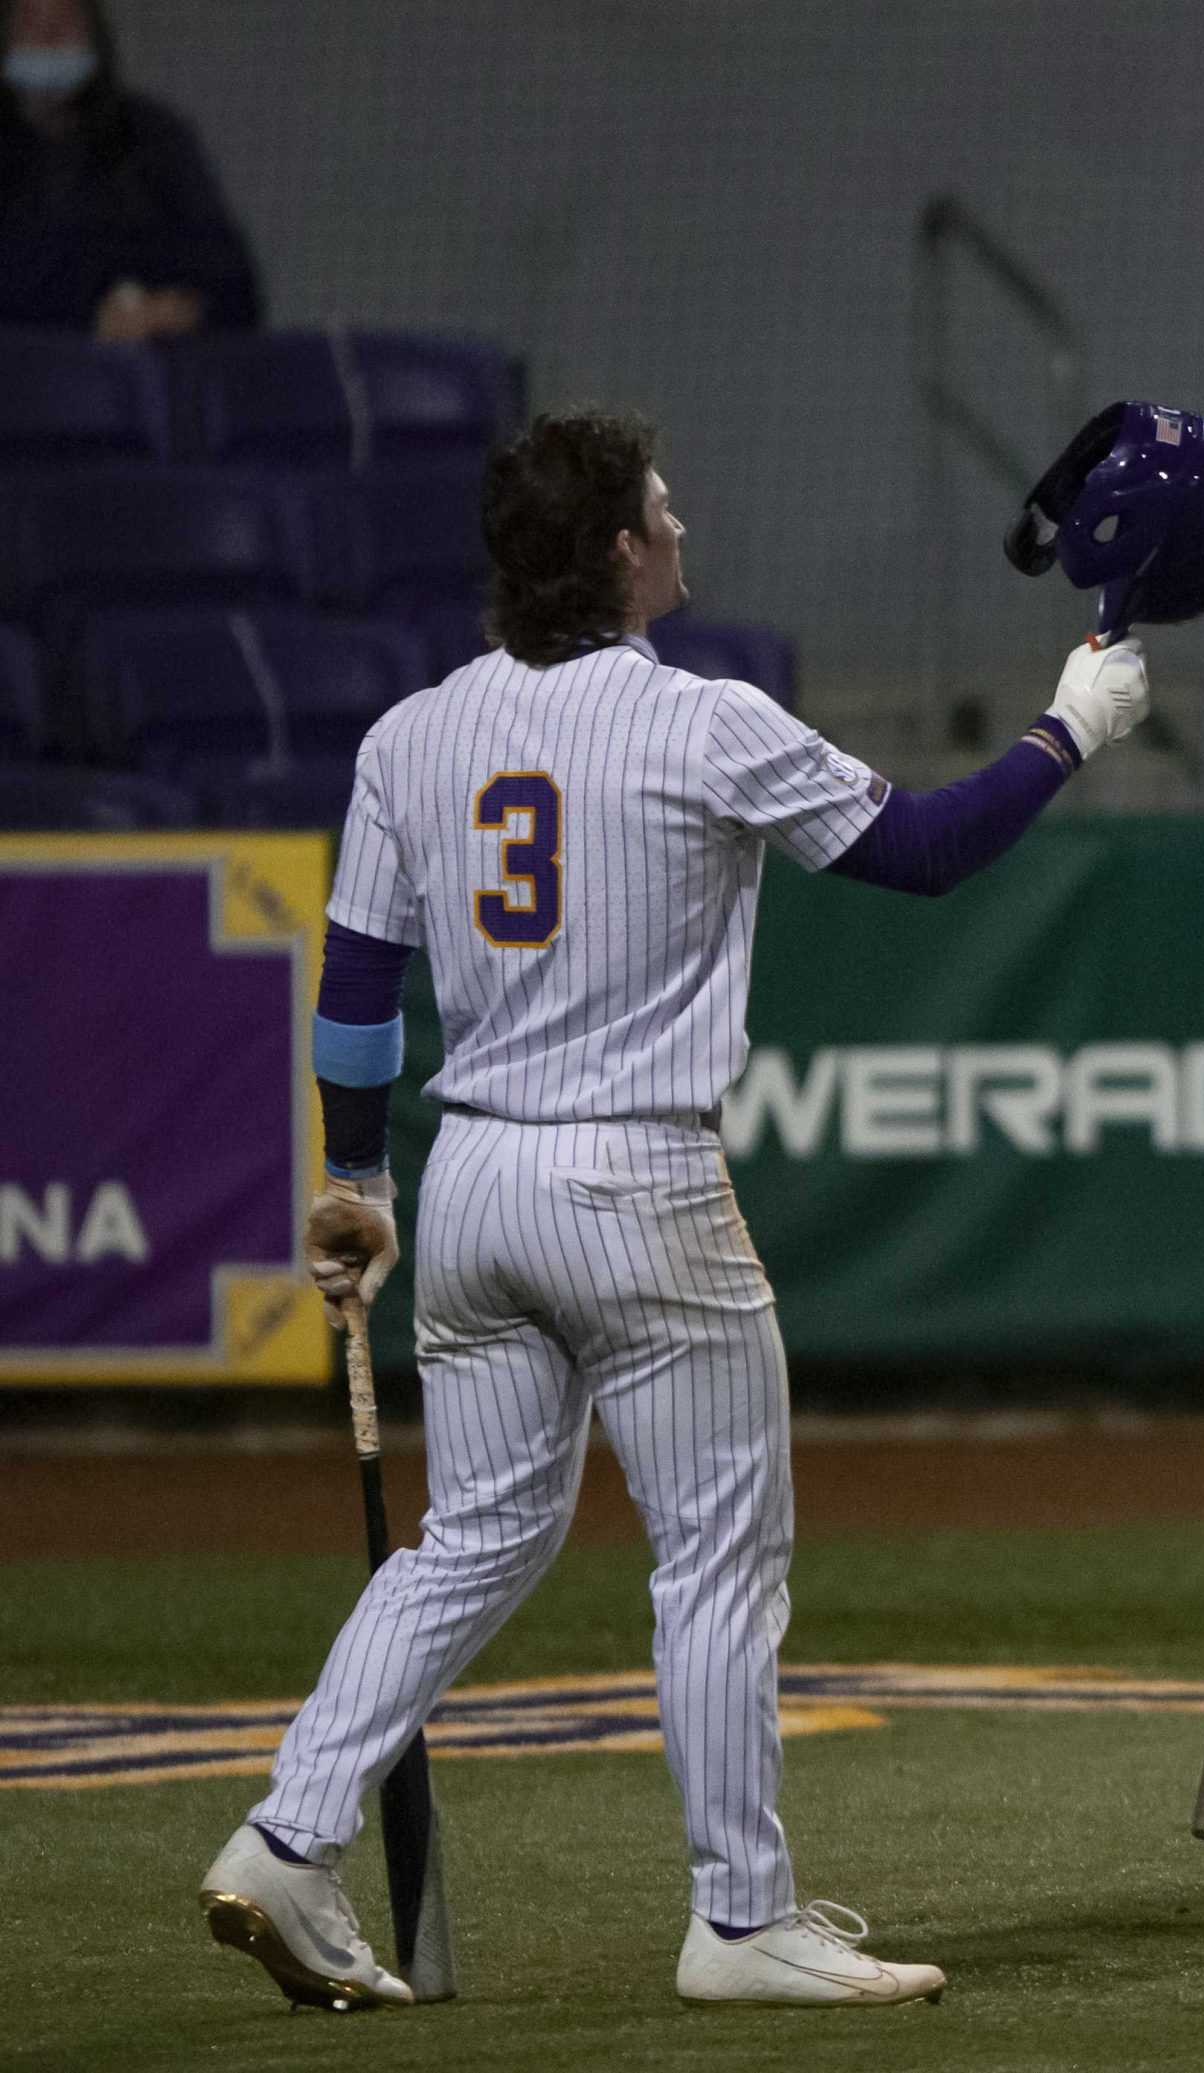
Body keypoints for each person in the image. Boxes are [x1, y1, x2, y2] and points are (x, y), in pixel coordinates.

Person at [195, 409, 1151, 2013]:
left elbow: (356, 987)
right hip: (636, 1177)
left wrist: (354, 1177)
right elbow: (920, 852)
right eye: (660, 504)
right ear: (622, 551)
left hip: (477, 1172)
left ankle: (286, 1838)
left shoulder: (409, 735)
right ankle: (741, 1914)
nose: (681, 517)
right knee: (717, 1555)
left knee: (470, 1544)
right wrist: (1069, 728)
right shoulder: (701, 720)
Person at [0, 0, 260, 337]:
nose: (49, 38)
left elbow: (231, 281)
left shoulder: (153, 139)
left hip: (136, 376)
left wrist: (173, 310)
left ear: (94, 34)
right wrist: (83, 318)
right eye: (31, 25)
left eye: (64, 23)